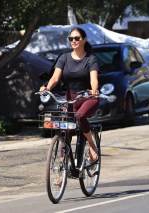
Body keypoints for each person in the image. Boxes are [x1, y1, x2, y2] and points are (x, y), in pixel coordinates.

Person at [39, 27, 99, 163]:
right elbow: (55, 78)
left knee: (80, 116)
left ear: (84, 40)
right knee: (64, 129)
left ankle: (91, 144)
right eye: (71, 39)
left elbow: (94, 79)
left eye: (77, 38)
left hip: (88, 97)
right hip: (70, 98)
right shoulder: (64, 57)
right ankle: (62, 167)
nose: (73, 41)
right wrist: (47, 87)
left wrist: (94, 89)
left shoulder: (91, 59)